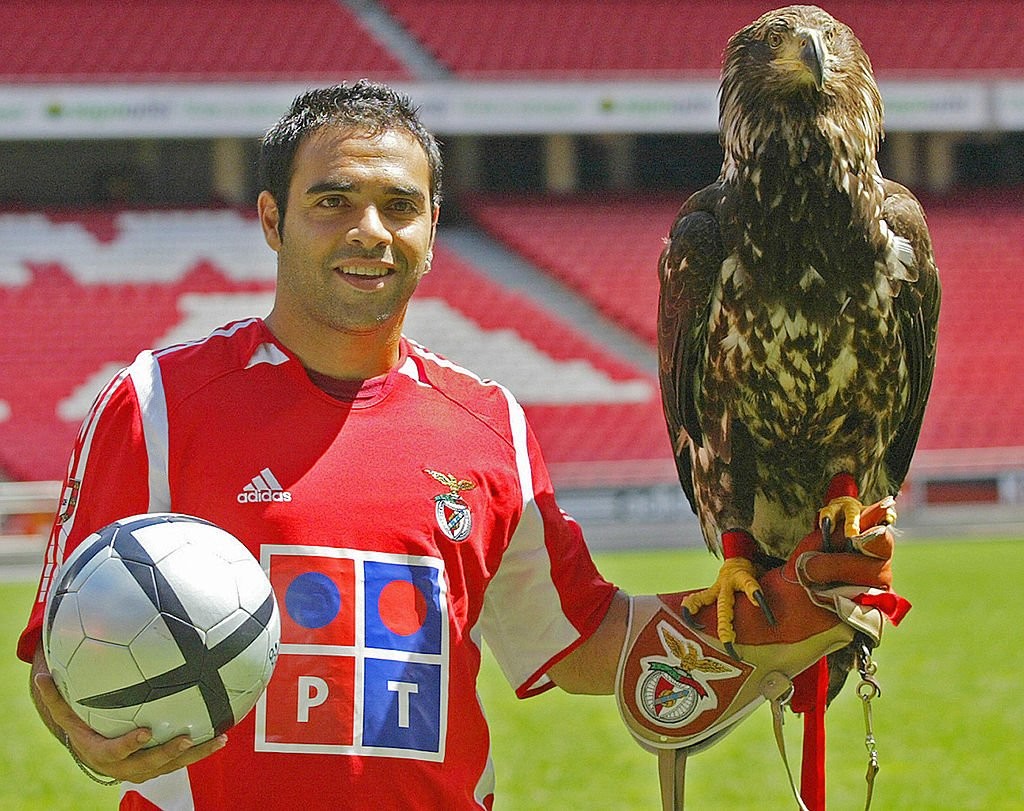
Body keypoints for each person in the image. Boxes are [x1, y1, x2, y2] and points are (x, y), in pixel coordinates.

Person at [18, 80, 899, 810]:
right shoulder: (154, 404)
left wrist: (772, 610)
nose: (370, 229)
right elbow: (62, 661)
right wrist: (90, 737)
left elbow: (582, 635)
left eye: (399, 205)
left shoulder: (490, 426)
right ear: (272, 220)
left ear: (433, 229)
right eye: (333, 201)